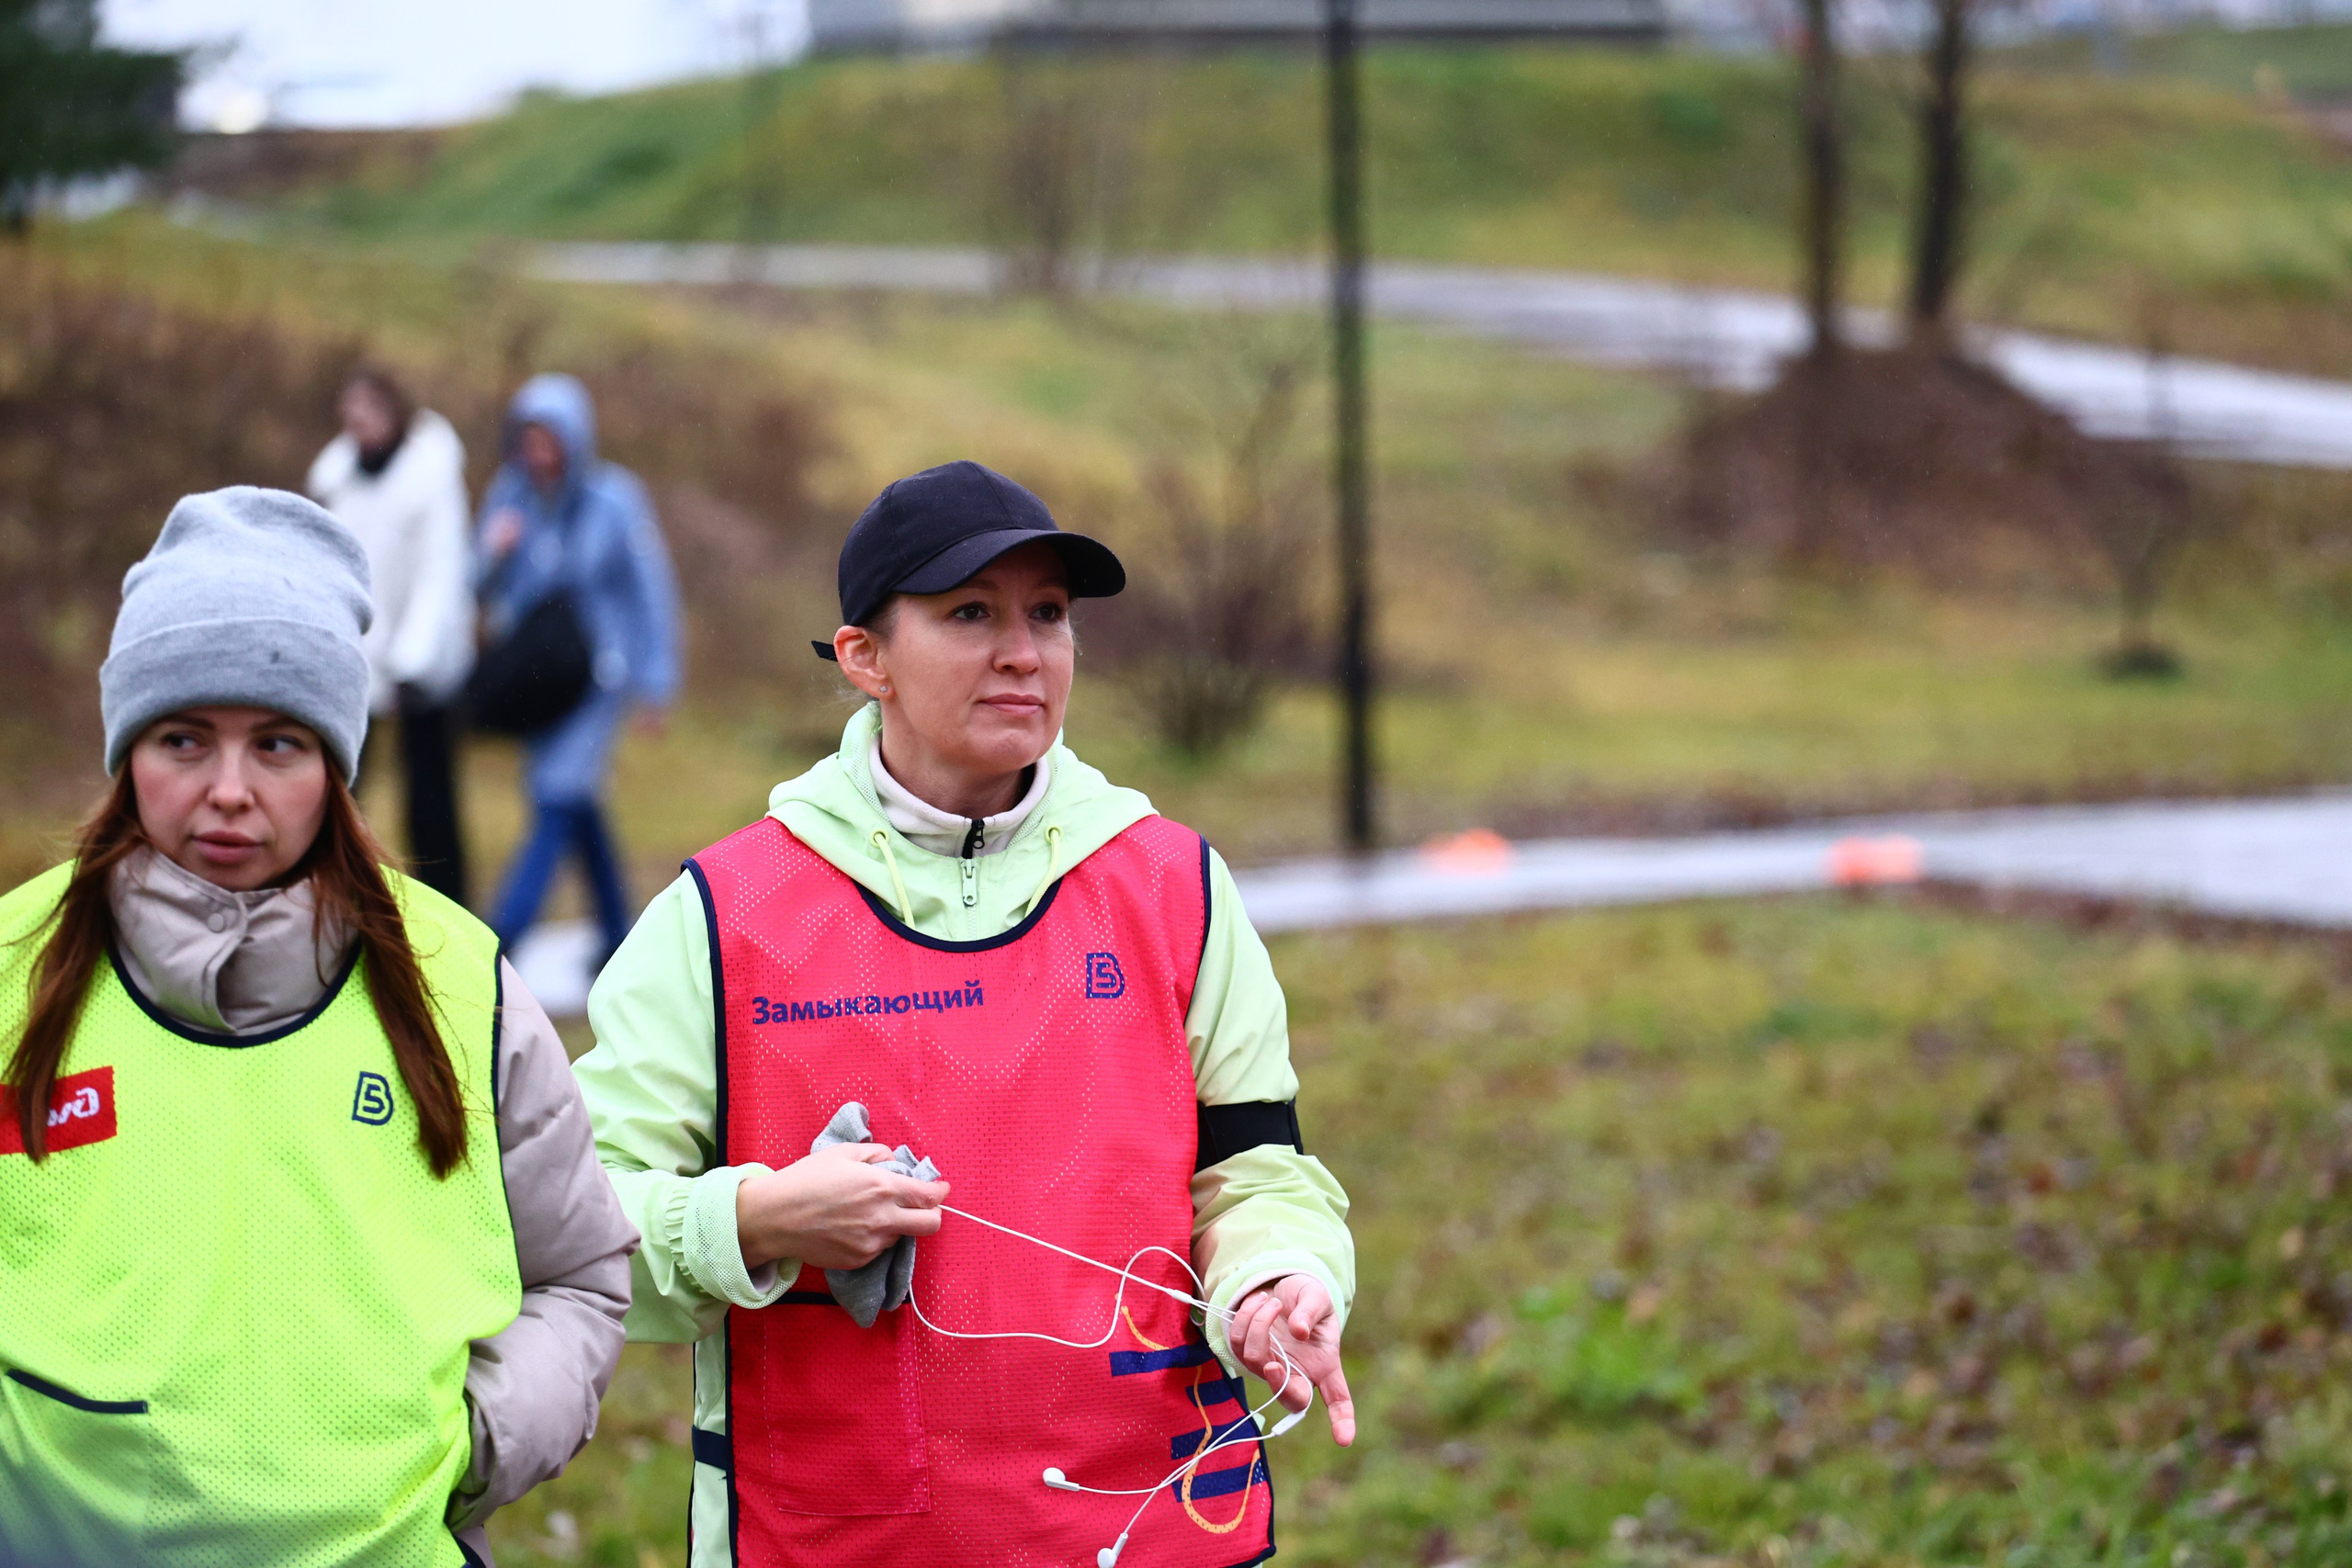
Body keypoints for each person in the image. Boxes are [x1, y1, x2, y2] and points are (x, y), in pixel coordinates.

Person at [576, 460, 1356, 1568]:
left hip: (1155, 1530)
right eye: (969, 614)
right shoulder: (723, 916)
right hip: (836, 1540)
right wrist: (754, 1222)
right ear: (865, 659)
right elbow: (577, 1226)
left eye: (1047, 614)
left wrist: (1279, 1280)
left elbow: (1258, 1176)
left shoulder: (1173, 885)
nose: (1022, 652)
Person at [0, 488, 639, 1568]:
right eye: (184, 739)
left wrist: (466, 1447)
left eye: (281, 744)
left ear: (337, 766)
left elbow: (578, 1276)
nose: (231, 793)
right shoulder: (16, 970)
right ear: (127, 750)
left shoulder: (459, 986)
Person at [475, 373, 679, 964]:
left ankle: (501, 938)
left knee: (555, 793)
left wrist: (657, 683)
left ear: (573, 439)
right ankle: (618, 934)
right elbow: (474, 580)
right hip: (539, 681)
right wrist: (494, 549)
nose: (538, 452)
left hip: (601, 677)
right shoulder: (509, 494)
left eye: (549, 438)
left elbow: (651, 592)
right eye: (528, 438)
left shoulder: (616, 500)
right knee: (577, 802)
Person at [307, 363, 477, 905]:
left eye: (368, 409)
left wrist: (412, 662)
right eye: (350, 409)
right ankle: (331, 902)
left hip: (420, 671)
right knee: (339, 791)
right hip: (357, 661)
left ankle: (447, 910)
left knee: (429, 803)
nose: (357, 419)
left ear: (394, 414)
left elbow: (439, 575)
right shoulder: (339, 479)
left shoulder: (430, 479)